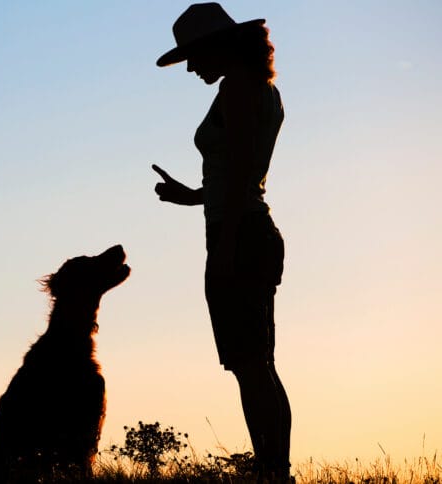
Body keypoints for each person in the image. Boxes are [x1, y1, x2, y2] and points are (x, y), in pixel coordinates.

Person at [152, 3, 292, 480]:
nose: (191, 67)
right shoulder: (257, 88)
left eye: (194, 55)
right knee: (258, 365)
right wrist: (189, 196)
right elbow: (238, 175)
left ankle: (273, 472)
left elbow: (236, 183)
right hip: (249, 230)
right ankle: (276, 469)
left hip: (240, 237)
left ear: (217, 47)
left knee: (251, 367)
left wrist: (224, 252)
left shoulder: (237, 90)